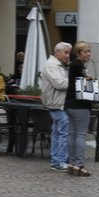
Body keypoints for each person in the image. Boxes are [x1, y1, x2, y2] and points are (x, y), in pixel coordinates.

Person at [63, 41, 99, 176]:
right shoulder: (79, 65)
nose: (89, 54)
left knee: (71, 135)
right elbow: (84, 82)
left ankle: (72, 163)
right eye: (86, 52)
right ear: (79, 53)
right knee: (81, 135)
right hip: (80, 105)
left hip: (69, 104)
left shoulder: (73, 65)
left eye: (89, 51)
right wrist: (94, 80)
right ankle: (79, 164)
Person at [39, 42, 73, 173]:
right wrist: (76, 81)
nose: (68, 55)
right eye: (66, 52)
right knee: (63, 132)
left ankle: (56, 160)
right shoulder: (51, 65)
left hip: (59, 103)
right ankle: (59, 161)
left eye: (69, 53)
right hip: (56, 103)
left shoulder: (60, 65)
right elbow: (60, 84)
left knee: (58, 132)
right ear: (57, 52)